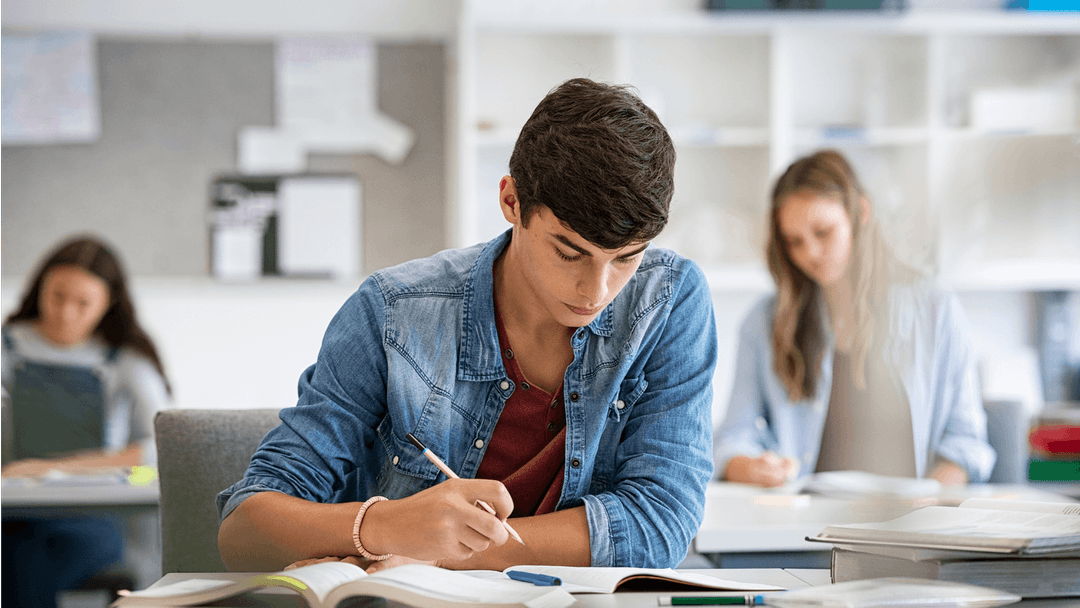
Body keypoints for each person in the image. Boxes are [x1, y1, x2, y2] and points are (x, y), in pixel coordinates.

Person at [217, 78, 718, 573]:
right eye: (569, 252)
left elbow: (661, 524)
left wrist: (436, 555)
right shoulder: (393, 312)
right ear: (511, 201)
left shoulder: (669, 301)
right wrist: (386, 526)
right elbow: (243, 532)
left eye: (627, 258)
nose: (597, 290)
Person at [713, 150, 995, 488]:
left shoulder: (936, 310)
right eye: (794, 242)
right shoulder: (764, 321)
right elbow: (731, 439)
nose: (810, 254)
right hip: (804, 528)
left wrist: (928, 500)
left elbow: (965, 444)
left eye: (823, 232)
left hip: (909, 527)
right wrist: (752, 468)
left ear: (861, 213)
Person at [1, 234, 172, 608]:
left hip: (94, 520)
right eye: (57, 296)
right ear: (39, 288)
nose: (66, 313)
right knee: (17, 546)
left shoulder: (124, 360)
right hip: (12, 511)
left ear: (107, 304)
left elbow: (161, 448)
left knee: (22, 557)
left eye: (83, 303)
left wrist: (47, 468)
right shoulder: (7, 346)